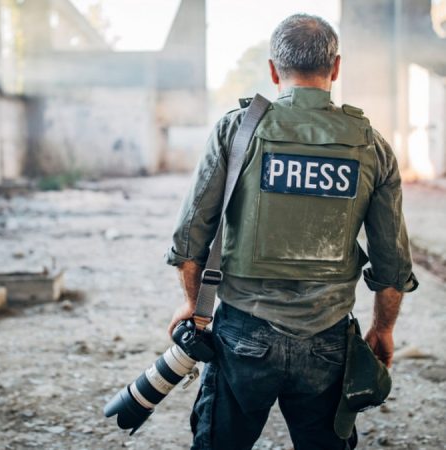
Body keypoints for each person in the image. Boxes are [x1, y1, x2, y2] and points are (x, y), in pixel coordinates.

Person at [165, 13, 418, 450]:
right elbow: (392, 263)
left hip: (243, 333)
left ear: (272, 69)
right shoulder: (371, 145)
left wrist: (193, 303)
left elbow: (190, 239)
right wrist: (383, 327)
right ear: (335, 68)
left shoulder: (237, 129)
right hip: (328, 338)